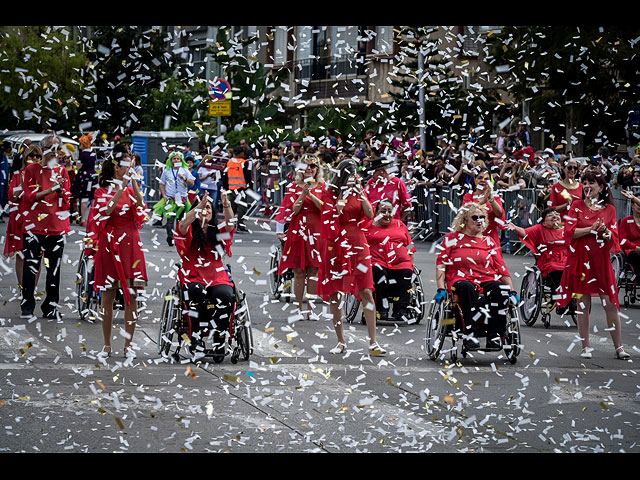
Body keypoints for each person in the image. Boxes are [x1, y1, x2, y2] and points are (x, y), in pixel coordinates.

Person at [556, 168, 630, 360]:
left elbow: (613, 237)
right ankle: (585, 346)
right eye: (585, 183)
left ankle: (619, 347)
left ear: (601, 187)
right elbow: (568, 233)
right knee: (583, 303)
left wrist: (605, 232)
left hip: (601, 260)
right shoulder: (576, 206)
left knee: (610, 303)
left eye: (592, 183)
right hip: (580, 259)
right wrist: (590, 229)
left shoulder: (610, 209)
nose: (587, 187)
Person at [317, 158, 386, 356]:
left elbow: (370, 213)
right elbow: (331, 218)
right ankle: (341, 340)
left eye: (357, 174)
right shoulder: (330, 192)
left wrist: (360, 194)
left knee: (366, 290)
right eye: (351, 175)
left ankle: (373, 341)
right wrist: (343, 197)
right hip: (336, 244)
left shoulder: (360, 190)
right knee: (335, 293)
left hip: (357, 241)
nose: (355, 178)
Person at [435, 202, 516, 351]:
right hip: (461, 280)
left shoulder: (489, 241)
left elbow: (501, 267)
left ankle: (494, 335)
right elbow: (441, 264)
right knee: (467, 288)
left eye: (482, 217)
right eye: (475, 217)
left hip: (486, 279)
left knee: (500, 289)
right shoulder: (452, 238)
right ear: (465, 220)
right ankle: (470, 334)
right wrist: (441, 288)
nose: (479, 220)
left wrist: (511, 290)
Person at [91, 151, 148, 361]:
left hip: (131, 244)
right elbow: (105, 212)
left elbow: (142, 207)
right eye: (127, 165)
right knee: (108, 297)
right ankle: (107, 345)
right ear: (117, 167)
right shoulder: (101, 191)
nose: (129, 168)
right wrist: (120, 188)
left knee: (132, 297)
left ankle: (128, 345)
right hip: (110, 244)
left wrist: (133, 183)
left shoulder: (131, 189)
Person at [174, 191, 236, 359]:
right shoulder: (190, 231)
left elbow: (230, 225)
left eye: (208, 208)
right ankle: (196, 337)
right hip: (193, 273)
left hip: (216, 274)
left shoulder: (218, 232)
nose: (205, 211)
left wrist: (226, 204)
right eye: (203, 208)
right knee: (195, 292)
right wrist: (198, 206)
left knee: (225, 295)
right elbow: (183, 224)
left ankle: (219, 337)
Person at [20, 135, 71, 319]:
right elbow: (29, 196)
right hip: (34, 227)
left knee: (53, 270)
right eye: (51, 147)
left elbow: (66, 201)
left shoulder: (62, 171)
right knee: (31, 266)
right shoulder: (32, 169)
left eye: (58, 148)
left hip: (55, 227)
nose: (55, 151)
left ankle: (50, 306)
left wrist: (63, 191)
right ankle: (27, 303)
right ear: (43, 149)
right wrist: (51, 189)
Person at [275, 154, 326, 320]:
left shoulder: (323, 186)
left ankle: (311, 309)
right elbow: (292, 211)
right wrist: (303, 194)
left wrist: (311, 194)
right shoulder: (294, 187)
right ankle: (298, 309)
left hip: (317, 231)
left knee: (313, 270)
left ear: (317, 169)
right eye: (306, 167)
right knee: (298, 271)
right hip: (299, 231)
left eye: (312, 167)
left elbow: (325, 208)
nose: (309, 169)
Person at [505, 207, 574, 314]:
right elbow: (525, 232)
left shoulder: (566, 230)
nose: (555, 216)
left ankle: (572, 301)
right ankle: (562, 300)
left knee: (576, 269)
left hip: (566, 258)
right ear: (544, 222)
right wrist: (515, 228)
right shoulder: (540, 229)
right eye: (551, 215)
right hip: (549, 260)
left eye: (556, 214)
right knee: (558, 270)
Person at [366, 199, 416, 322]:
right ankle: (381, 309)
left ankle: (401, 310)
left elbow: (409, 245)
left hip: (400, 261)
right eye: (383, 211)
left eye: (390, 211)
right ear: (376, 213)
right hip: (377, 260)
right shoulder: (369, 225)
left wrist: (411, 263)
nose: (387, 214)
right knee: (378, 272)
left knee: (406, 273)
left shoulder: (400, 224)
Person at [2, 145, 43, 286]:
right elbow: (12, 196)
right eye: (31, 156)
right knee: (21, 255)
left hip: (38, 220)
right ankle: (22, 288)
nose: (34, 159)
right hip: (20, 219)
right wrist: (22, 184)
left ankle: (32, 289)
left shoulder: (44, 176)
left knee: (37, 256)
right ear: (25, 158)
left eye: (38, 156)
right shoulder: (17, 175)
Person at [462, 168, 506, 259]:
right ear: (475, 180)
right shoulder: (469, 196)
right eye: (480, 178)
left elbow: (499, 214)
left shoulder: (495, 197)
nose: (483, 180)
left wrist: (491, 199)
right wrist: (482, 202)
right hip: (473, 237)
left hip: (491, 237)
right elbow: (467, 214)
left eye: (486, 178)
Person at [154, 151, 195, 246]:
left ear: (180, 160)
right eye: (174, 158)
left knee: (181, 221)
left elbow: (192, 183)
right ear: (171, 160)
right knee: (170, 220)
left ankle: (178, 238)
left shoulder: (185, 170)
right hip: (170, 199)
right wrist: (164, 195)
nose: (176, 160)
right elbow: (162, 184)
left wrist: (184, 179)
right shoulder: (167, 171)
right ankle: (170, 237)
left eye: (178, 158)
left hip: (182, 199)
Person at [363, 156, 412, 222]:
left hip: (392, 225)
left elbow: (408, 205)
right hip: (374, 225)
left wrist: (399, 218)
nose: (372, 175)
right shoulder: (370, 182)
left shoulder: (398, 183)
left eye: (374, 172)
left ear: (382, 171)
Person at [222, 146, 252, 232]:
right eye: (243, 152)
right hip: (241, 188)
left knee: (233, 207)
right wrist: (249, 187)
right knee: (242, 207)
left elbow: (225, 175)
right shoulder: (244, 162)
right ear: (239, 153)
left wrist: (225, 187)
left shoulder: (229, 162)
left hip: (231, 188)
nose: (244, 153)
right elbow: (248, 176)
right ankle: (240, 224)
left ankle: (231, 224)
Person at [71, 134, 97, 226]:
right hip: (93, 176)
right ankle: (94, 218)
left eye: (80, 143)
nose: (79, 145)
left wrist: (74, 162)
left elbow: (79, 165)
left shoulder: (83, 154)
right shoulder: (93, 152)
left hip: (84, 176)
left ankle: (83, 219)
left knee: (84, 198)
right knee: (92, 198)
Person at [619, 190, 640, 288]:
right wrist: (635, 247)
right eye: (636, 203)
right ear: (632, 206)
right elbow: (622, 241)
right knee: (635, 255)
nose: (638, 205)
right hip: (632, 249)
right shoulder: (626, 221)